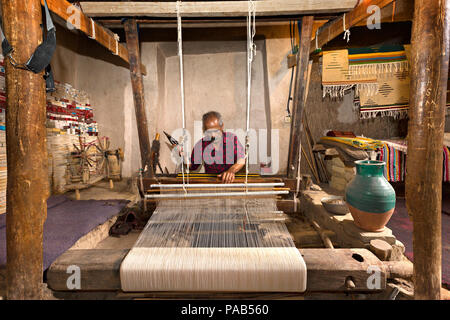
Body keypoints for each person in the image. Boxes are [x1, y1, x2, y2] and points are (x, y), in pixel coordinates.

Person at [189, 111, 245, 183]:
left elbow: (241, 159)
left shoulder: (231, 139)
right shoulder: (201, 145)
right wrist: (183, 155)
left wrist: (231, 171)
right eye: (208, 132)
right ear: (204, 130)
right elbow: (192, 166)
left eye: (216, 131)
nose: (213, 135)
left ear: (222, 126)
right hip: (211, 185)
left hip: (232, 183)